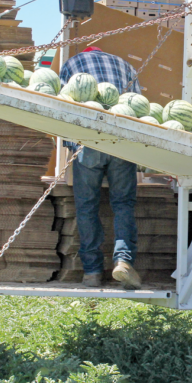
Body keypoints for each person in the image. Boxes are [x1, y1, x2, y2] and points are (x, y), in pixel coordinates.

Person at [59, 45, 142, 290]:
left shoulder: (72, 64)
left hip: (89, 141)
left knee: (87, 206)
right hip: (121, 141)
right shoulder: (125, 64)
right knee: (123, 203)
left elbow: (63, 104)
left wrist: (71, 145)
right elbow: (135, 106)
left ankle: (92, 271)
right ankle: (123, 262)